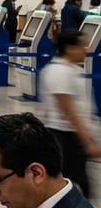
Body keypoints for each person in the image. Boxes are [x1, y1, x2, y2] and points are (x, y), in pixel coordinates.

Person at [37, 29, 99, 198]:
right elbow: (68, 111)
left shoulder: (72, 69)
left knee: (79, 184)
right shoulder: (59, 72)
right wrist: (87, 141)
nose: (86, 49)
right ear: (70, 48)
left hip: (73, 135)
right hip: (64, 136)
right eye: (82, 45)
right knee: (71, 185)